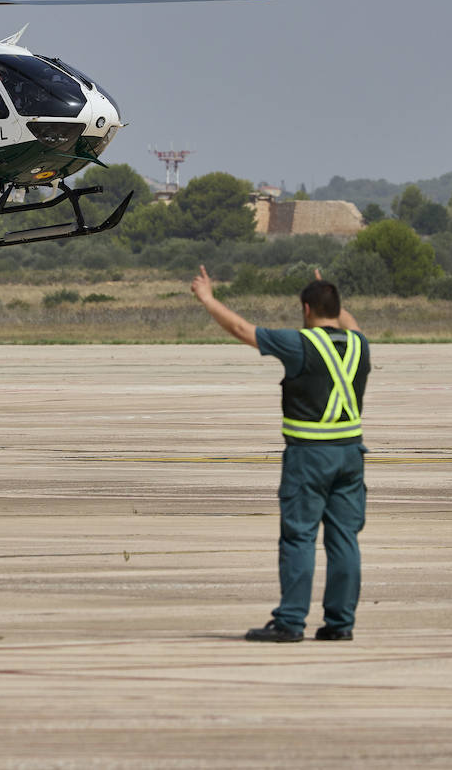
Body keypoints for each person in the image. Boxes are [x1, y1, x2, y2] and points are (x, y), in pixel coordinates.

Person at [189, 265, 370, 643]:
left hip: (309, 458)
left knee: (299, 538)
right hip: (350, 456)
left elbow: (243, 330)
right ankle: (340, 624)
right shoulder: (359, 343)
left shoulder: (300, 344)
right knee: (344, 540)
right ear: (337, 308)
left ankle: (290, 621)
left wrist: (208, 299)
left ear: (305, 309)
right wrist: (327, 291)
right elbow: (346, 321)